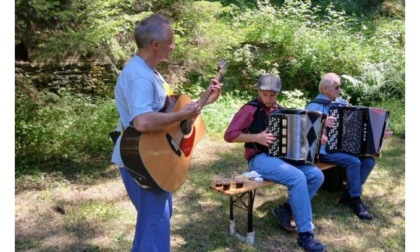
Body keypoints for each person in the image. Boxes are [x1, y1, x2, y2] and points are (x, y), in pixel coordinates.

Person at [110, 13, 223, 251]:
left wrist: (204, 102)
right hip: (141, 160)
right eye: (170, 41)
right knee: (155, 226)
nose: (173, 46)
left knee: (154, 222)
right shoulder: (140, 76)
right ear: (155, 45)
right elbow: (141, 122)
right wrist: (182, 115)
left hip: (155, 156)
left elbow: (167, 114)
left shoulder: (150, 73)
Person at [224, 74, 327, 252]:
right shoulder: (250, 109)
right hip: (259, 159)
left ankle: (286, 209)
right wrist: (257, 137)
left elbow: (298, 136)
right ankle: (305, 235)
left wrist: (317, 139)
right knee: (297, 177)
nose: (269, 98)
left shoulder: (281, 110)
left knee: (316, 175)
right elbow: (230, 135)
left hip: (282, 158)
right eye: (265, 94)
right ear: (258, 91)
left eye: (273, 95)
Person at [306, 72, 392, 221]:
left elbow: (359, 123)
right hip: (322, 150)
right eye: (337, 87)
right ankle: (355, 200)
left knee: (369, 161)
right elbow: (306, 129)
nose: (340, 90)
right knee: (353, 161)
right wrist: (321, 124)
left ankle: (347, 195)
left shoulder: (341, 103)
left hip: (342, 147)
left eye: (340, 87)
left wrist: (379, 133)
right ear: (325, 89)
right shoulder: (313, 106)